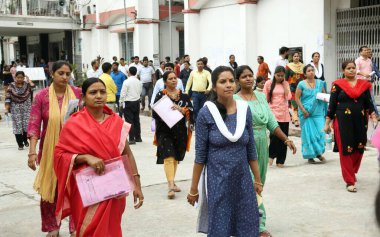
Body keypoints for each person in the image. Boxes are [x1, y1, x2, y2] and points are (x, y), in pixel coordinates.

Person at [54, 78, 144, 236]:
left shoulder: (116, 122)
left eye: (102, 92)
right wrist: (85, 157)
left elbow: (127, 154)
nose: (99, 96)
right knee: (89, 230)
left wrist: (136, 184)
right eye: (93, 92)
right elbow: (60, 155)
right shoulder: (74, 124)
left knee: (110, 229)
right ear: (83, 97)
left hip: (114, 188)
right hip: (86, 189)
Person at [187, 66, 262, 236]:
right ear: (214, 87)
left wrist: (257, 179)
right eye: (222, 82)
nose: (228, 85)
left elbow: (250, 149)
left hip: (243, 180)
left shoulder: (244, 111)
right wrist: (193, 189)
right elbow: (200, 156)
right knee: (220, 227)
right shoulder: (206, 113)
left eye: (231, 81)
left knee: (247, 225)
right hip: (218, 180)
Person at [234, 65, 296, 236]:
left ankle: (247, 220)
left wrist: (286, 139)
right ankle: (259, 225)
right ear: (238, 80)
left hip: (262, 145)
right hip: (245, 146)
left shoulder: (261, 97)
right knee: (251, 185)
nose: (248, 78)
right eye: (244, 76)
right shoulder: (234, 100)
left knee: (259, 184)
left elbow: (271, 122)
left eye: (250, 75)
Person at [27, 61, 81, 236]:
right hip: (50, 152)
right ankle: (53, 226)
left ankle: (75, 226)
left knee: (75, 189)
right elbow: (34, 125)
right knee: (50, 189)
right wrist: (32, 152)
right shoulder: (42, 96)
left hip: (74, 150)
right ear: (52, 74)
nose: (65, 77)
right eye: (61, 73)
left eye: (68, 74)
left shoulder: (78, 94)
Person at [324, 60, 377, 193]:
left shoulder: (364, 85)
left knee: (359, 147)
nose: (352, 70)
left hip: (360, 121)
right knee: (346, 149)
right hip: (342, 122)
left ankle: (351, 172)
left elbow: (369, 103)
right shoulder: (337, 85)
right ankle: (349, 181)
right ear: (343, 71)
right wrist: (327, 122)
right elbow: (332, 105)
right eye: (348, 68)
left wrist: (374, 116)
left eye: (353, 68)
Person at [153, 71, 194, 199]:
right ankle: (170, 186)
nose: (173, 80)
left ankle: (172, 181)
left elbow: (192, 111)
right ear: (165, 82)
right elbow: (155, 113)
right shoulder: (161, 95)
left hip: (180, 131)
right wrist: (166, 110)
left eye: (175, 78)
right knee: (169, 155)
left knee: (175, 156)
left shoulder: (184, 96)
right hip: (164, 131)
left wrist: (181, 109)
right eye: (170, 79)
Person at [295, 64, 327, 164]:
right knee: (309, 135)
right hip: (305, 113)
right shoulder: (301, 84)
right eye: (309, 71)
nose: (311, 72)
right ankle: (311, 156)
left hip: (317, 112)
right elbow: (296, 98)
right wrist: (303, 110)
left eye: (312, 70)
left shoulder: (320, 83)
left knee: (321, 132)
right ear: (305, 73)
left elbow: (324, 96)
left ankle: (318, 153)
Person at [264, 66, 292, 167]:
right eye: (278, 75)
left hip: (284, 114)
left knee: (284, 138)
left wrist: (285, 86)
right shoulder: (268, 83)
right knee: (275, 136)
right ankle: (271, 156)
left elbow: (289, 97)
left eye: (282, 76)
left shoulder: (286, 83)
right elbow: (264, 98)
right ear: (274, 74)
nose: (280, 77)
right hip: (273, 113)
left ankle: (281, 161)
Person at [5, 71, 35, 150]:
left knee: (26, 126)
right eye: (18, 77)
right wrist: (7, 108)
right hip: (15, 109)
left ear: (24, 78)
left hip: (27, 108)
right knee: (17, 126)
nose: (20, 79)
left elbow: (33, 87)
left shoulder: (27, 85)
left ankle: (25, 140)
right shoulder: (11, 86)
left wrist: (30, 81)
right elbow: (8, 97)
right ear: (15, 77)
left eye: (21, 77)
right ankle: (20, 144)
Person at [119, 66, 142, 144]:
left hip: (128, 102)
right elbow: (140, 91)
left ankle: (131, 139)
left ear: (129, 72)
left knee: (129, 121)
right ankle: (138, 137)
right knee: (136, 120)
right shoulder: (139, 81)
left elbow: (123, 93)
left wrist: (121, 102)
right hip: (136, 102)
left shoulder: (126, 81)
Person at [286, 51, 305, 127]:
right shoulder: (288, 66)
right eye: (295, 56)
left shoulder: (303, 66)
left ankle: (294, 118)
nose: (296, 57)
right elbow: (286, 78)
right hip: (292, 87)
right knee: (294, 103)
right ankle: (296, 120)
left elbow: (305, 77)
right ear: (292, 57)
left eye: (297, 56)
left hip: (301, 87)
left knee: (301, 103)